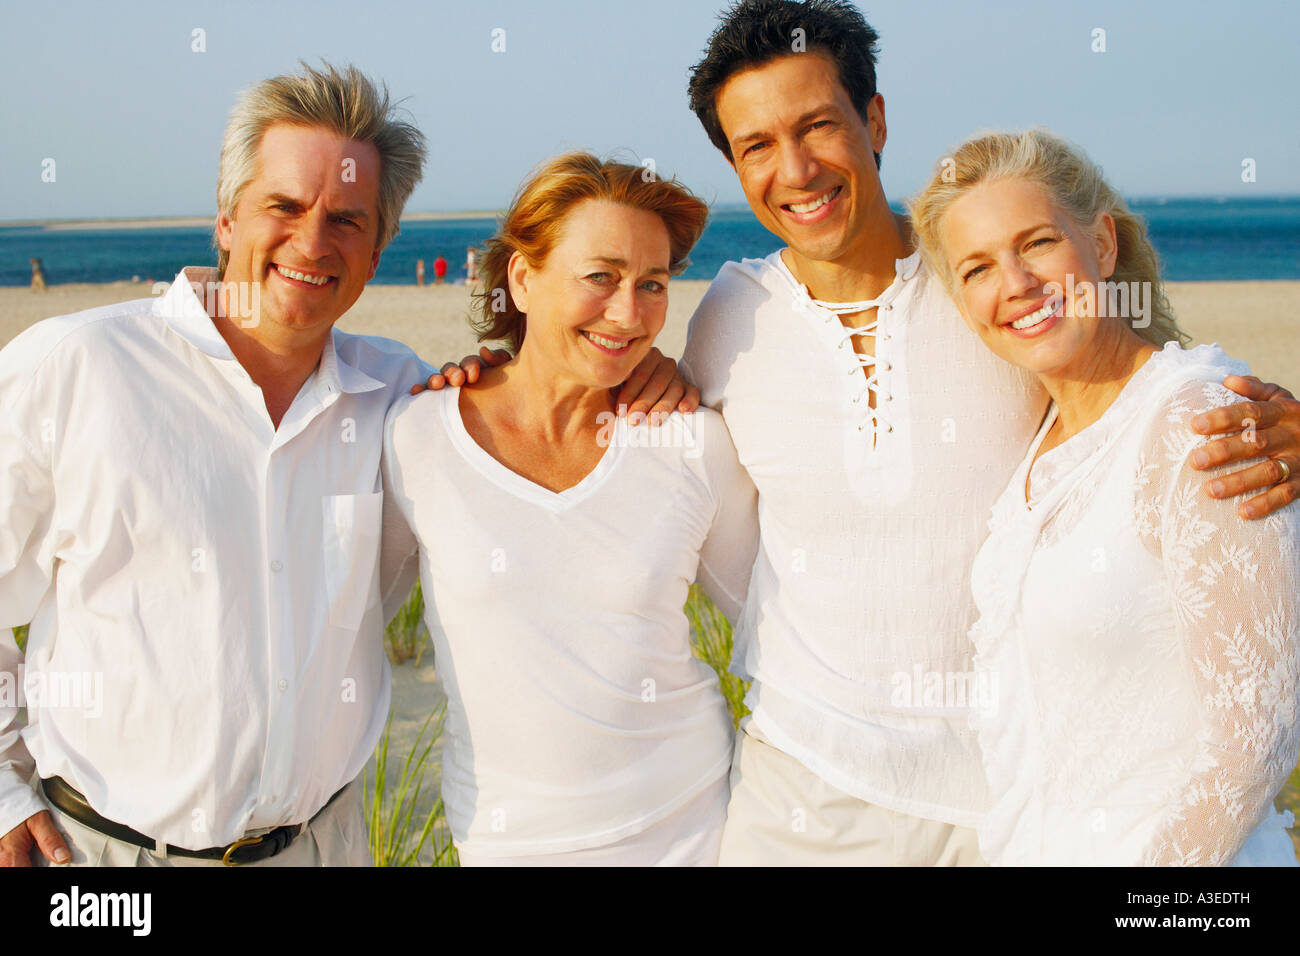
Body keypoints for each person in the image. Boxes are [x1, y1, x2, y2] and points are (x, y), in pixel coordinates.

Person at [0, 63, 689, 869]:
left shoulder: (401, 396)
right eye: (283, 207)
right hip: (102, 857)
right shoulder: (77, 366)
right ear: (226, 219)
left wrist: (644, 370)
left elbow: (530, 413)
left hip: (324, 848)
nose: (312, 241)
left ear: (379, 247)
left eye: (347, 220)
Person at [671, 0, 1300, 864]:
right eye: (756, 147)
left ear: (875, 119)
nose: (796, 168)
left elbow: (1133, 398)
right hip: (802, 791)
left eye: (817, 125)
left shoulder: (981, 286)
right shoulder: (727, 321)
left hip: (998, 803)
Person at [909, 128, 1299, 866]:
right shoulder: (1040, 448)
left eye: (1038, 243)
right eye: (978, 268)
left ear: (1104, 247)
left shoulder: (1193, 421)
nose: (1015, 283)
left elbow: (1257, 739)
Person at [380, 153, 759, 866]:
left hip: (696, 829)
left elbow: (776, 630)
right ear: (522, 279)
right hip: (505, 841)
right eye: (601, 277)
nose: (629, 313)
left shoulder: (692, 444)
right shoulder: (416, 438)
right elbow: (344, 615)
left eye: (652, 284)